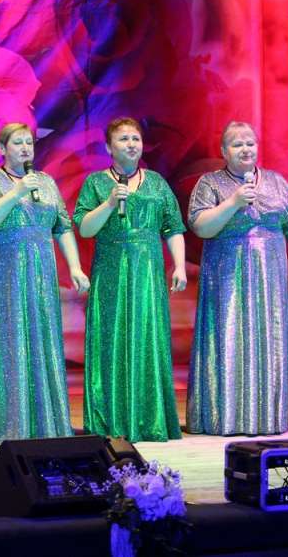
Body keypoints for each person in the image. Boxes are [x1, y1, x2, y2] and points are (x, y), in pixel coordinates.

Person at [187, 122, 288, 435]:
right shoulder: (210, 183)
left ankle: (266, 417)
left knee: (269, 339)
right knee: (228, 338)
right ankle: (224, 417)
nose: (245, 149)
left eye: (250, 143)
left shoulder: (277, 182)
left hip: (270, 276)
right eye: (237, 144)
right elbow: (200, 226)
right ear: (223, 151)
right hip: (227, 274)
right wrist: (233, 202)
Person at [0, 123, 89, 444]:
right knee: (9, 341)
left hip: (40, 270)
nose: (25, 148)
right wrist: (17, 192)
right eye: (18, 143)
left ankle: (44, 420)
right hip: (4, 272)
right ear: (2, 148)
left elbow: (62, 226)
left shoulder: (46, 182)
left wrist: (75, 267)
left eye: (29, 143)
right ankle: (9, 422)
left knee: (41, 339)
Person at [73, 117, 187, 442]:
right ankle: (110, 420)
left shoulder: (157, 183)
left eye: (135, 138)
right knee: (111, 339)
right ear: (109, 147)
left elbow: (173, 227)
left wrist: (179, 266)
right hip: (111, 271)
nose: (131, 144)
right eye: (123, 139)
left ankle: (150, 419)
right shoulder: (96, 183)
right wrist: (110, 203)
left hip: (147, 272)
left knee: (147, 337)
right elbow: (84, 228)